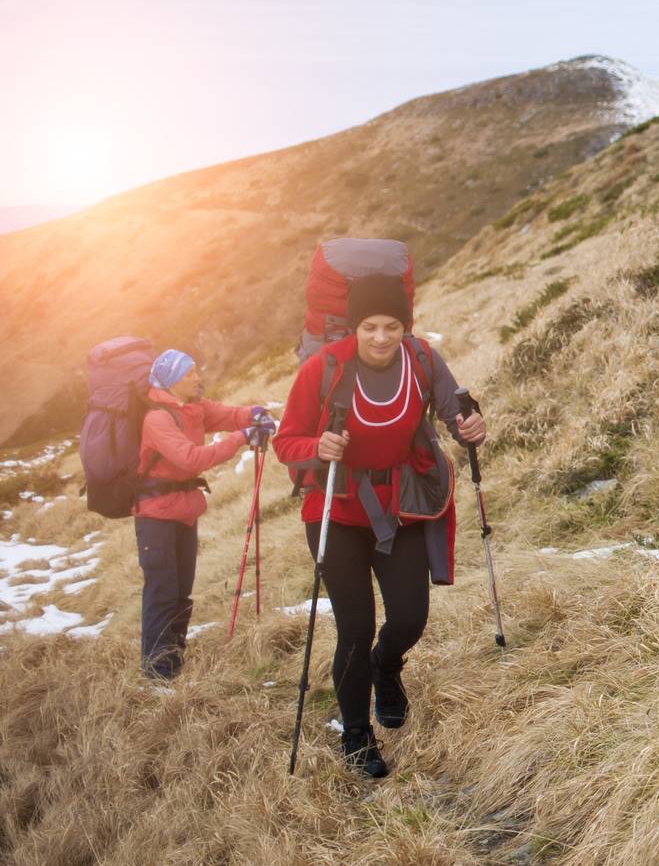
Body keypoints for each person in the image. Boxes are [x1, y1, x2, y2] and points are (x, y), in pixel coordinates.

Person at [273, 273, 485, 779]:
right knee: (355, 628)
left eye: (392, 325)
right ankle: (355, 733)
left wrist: (470, 426)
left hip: (401, 507)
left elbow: (456, 411)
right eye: (369, 326)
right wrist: (316, 448)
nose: (382, 337)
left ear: (405, 326)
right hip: (337, 511)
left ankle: (386, 667)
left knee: (410, 617)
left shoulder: (423, 360)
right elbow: (287, 441)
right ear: (354, 326)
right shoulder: (323, 368)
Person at [132, 349, 275, 680]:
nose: (197, 377)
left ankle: (173, 656)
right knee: (162, 589)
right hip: (155, 515)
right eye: (189, 373)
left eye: (196, 370)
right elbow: (191, 460)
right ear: (171, 382)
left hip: (182, 510)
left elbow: (227, 414)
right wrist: (243, 438)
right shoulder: (157, 419)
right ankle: (157, 670)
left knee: (181, 587)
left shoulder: (193, 407)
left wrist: (253, 414)